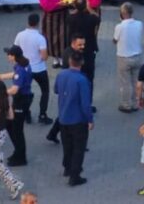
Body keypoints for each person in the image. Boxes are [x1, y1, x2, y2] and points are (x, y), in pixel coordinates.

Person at [55, 51, 94, 187]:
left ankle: (67, 168)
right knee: (79, 148)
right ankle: (75, 176)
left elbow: (56, 90)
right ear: (82, 62)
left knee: (67, 145)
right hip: (78, 120)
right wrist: (90, 119)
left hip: (63, 117)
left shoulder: (61, 75)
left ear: (70, 61)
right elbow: (85, 104)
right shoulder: (82, 80)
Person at [0, 46, 32, 166]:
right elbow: (14, 75)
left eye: (9, 54)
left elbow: (14, 89)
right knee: (10, 124)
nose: (7, 56)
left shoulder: (21, 69)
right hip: (22, 99)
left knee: (17, 130)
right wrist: (1, 76)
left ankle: (21, 157)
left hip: (21, 100)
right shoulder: (22, 64)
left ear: (13, 56)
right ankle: (18, 152)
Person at [13, 14, 52, 124]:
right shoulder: (40, 38)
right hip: (39, 69)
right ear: (38, 23)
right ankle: (42, 114)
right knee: (45, 91)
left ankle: (26, 114)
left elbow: (15, 51)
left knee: (24, 91)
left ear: (28, 22)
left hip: (24, 69)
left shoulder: (20, 35)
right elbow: (44, 57)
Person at [114, 2, 144, 112]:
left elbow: (115, 40)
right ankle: (136, 103)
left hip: (124, 57)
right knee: (136, 81)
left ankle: (126, 104)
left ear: (122, 14)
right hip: (137, 55)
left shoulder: (119, 26)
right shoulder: (139, 24)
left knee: (125, 83)